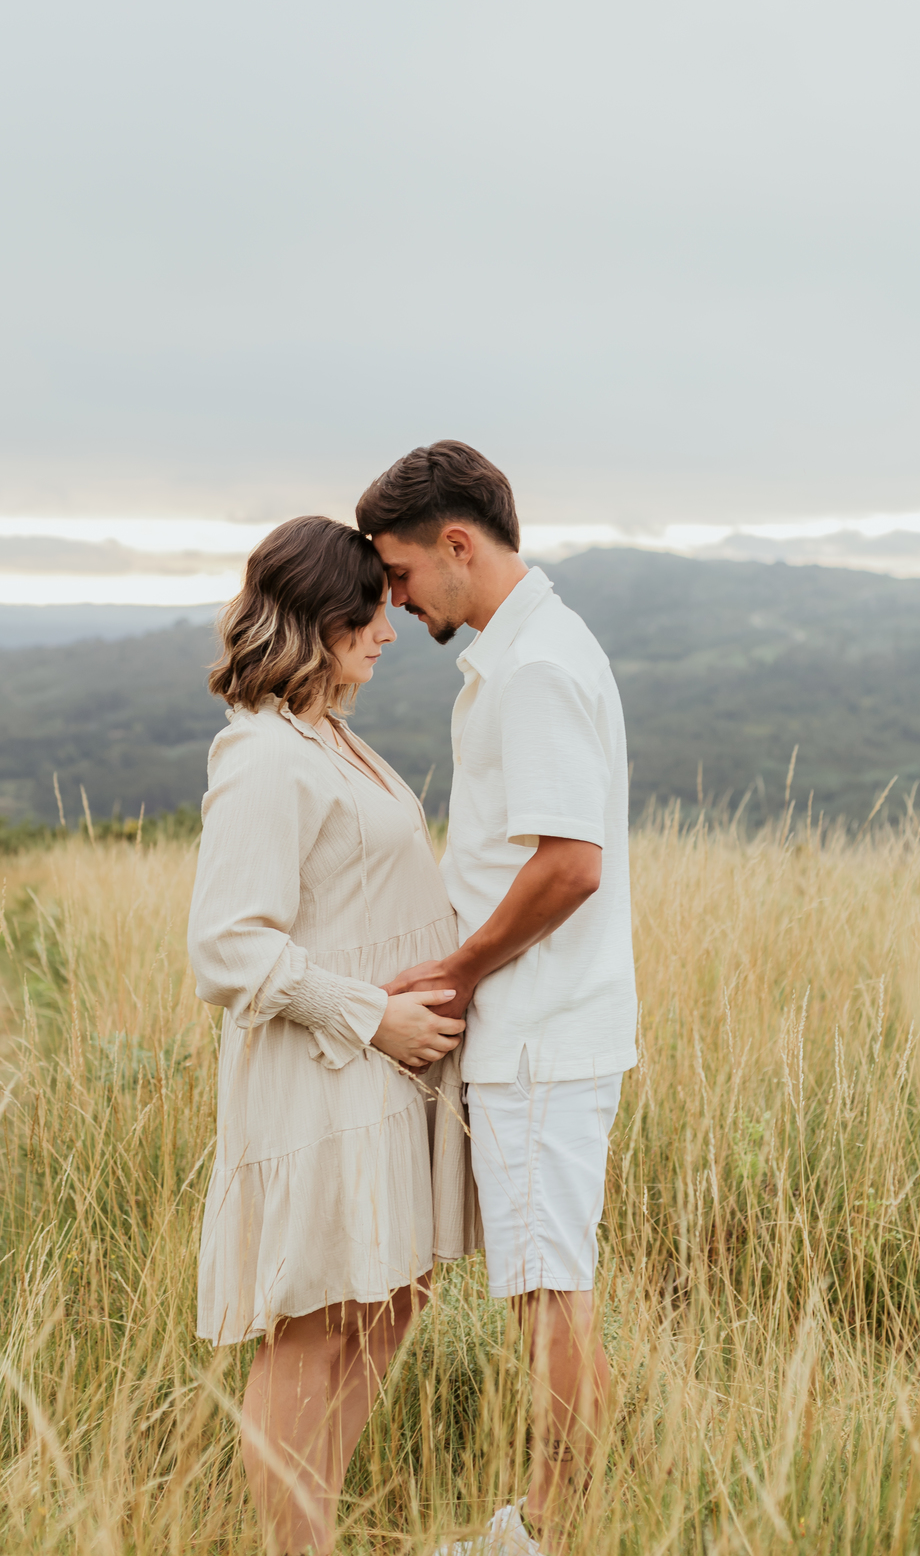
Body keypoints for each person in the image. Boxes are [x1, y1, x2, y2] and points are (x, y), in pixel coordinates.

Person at [356, 442, 637, 1552]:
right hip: (537, 1031)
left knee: (547, 1290)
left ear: (457, 544)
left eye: (399, 572)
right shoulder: (526, 654)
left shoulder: (537, 670)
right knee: (545, 1283)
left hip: (539, 1037)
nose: (394, 599)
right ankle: (561, 1519)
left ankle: (555, 1531)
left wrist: (460, 972)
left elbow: (571, 865)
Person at [187, 516, 479, 1556]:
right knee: (318, 1323)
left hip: (384, 1077)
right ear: (314, 619)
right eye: (367, 613)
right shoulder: (265, 752)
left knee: (389, 1303)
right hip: (324, 1074)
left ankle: (316, 1529)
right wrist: (373, 1015)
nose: (389, 631)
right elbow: (226, 947)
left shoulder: (331, 734)